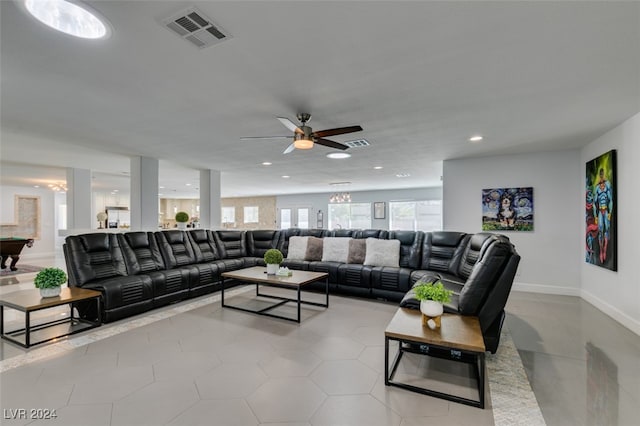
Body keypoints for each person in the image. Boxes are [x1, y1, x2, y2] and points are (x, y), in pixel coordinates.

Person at [593, 168, 613, 264]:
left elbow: (611, 200)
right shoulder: (597, 188)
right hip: (600, 211)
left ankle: (605, 249)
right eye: (600, 174)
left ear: (604, 174)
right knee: (600, 231)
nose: (601, 176)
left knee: (607, 230)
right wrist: (595, 216)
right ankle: (601, 250)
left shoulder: (607, 185)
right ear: (599, 175)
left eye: (602, 174)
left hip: (606, 211)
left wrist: (610, 213)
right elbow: (594, 203)